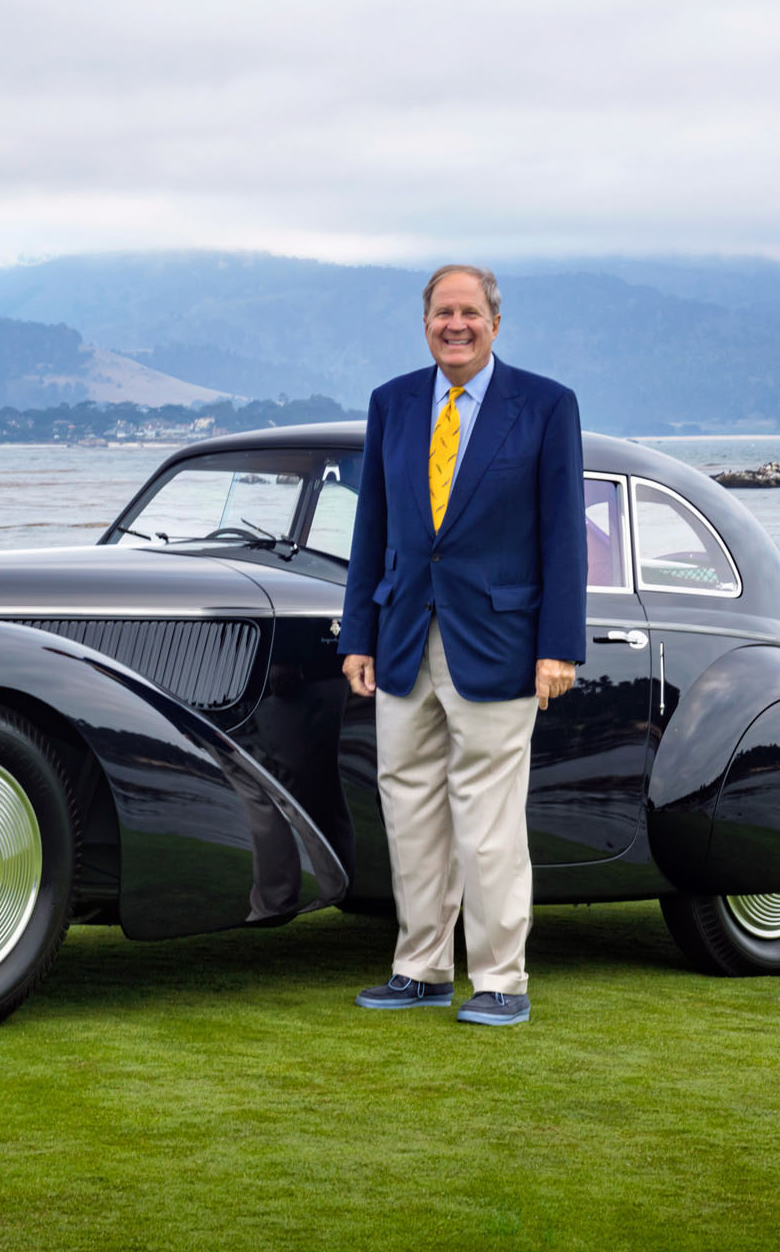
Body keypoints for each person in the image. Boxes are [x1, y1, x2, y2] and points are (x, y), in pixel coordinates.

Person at [338, 264, 585, 1027]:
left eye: (469, 312)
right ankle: (420, 969)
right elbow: (371, 528)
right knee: (408, 808)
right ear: (426, 323)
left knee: (488, 820)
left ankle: (501, 980)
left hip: (503, 643)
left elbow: (564, 535)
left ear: (495, 323)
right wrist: (359, 635)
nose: (456, 324)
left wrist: (559, 648)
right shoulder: (393, 403)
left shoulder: (545, 406)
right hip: (403, 635)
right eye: (443, 312)